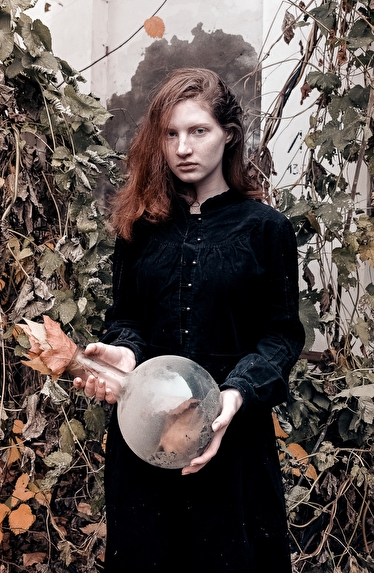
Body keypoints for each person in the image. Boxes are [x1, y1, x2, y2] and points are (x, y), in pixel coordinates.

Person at [73, 68, 304, 573]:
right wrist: (124, 352)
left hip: (233, 447)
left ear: (229, 134)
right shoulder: (140, 227)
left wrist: (235, 394)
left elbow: (281, 336)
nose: (183, 148)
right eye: (171, 133)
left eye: (198, 131)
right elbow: (126, 317)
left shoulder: (266, 230)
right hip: (147, 443)